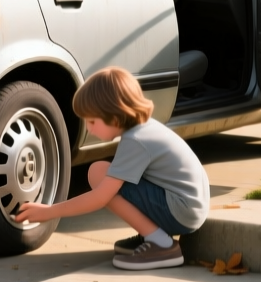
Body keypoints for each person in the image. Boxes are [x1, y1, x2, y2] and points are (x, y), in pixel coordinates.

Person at [15, 66, 210, 270]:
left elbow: (100, 197)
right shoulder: (145, 129)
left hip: (181, 211)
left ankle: (161, 244)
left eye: (92, 121)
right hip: (188, 207)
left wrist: (50, 212)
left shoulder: (135, 140)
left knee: (98, 174)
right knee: (105, 173)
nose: (89, 128)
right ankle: (151, 233)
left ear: (114, 116)